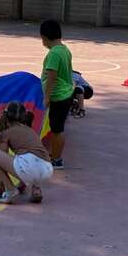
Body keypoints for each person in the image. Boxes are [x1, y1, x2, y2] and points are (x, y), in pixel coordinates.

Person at [0, 102, 53, 204]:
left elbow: (2, 160)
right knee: (26, 157)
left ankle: (10, 189)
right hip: (47, 169)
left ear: (6, 117)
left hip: (28, 168)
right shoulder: (30, 130)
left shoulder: (5, 133)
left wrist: (1, 185)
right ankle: (36, 190)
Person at [40, 20, 73, 169]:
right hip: (66, 93)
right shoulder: (65, 50)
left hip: (58, 96)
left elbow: (51, 76)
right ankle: (55, 155)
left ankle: (57, 159)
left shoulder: (54, 54)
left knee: (56, 129)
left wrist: (46, 97)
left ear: (45, 37)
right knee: (57, 127)